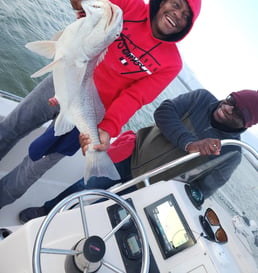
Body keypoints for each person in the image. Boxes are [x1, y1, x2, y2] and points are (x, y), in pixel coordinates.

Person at [0, 0, 201, 206]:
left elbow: (136, 97)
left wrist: (107, 128)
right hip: (66, 78)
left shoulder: (171, 63)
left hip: (90, 113)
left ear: (187, 26)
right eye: (175, 5)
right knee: (14, 124)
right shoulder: (130, 6)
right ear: (163, 0)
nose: (177, 14)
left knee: (38, 162)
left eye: (185, 15)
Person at [18, 88, 258, 223]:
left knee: (102, 210)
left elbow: (202, 190)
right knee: (84, 187)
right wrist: (190, 144)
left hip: (149, 187)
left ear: (244, 125)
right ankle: (46, 211)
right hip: (131, 153)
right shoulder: (202, 98)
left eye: (238, 113)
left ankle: (60, 225)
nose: (228, 109)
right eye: (230, 100)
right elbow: (164, 112)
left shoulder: (231, 153)